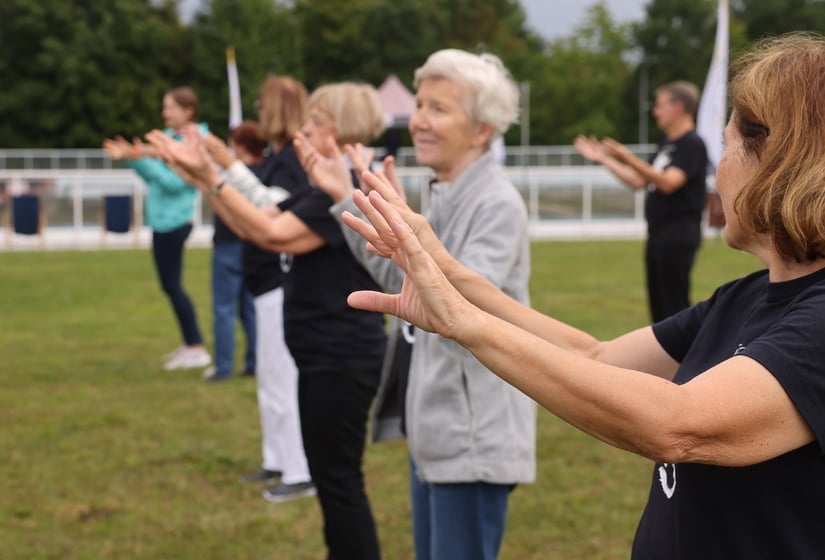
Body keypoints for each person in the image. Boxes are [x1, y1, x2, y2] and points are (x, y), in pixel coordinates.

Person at [339, 33, 825, 558]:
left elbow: (680, 424)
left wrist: (466, 322)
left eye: (729, 145)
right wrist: (445, 270)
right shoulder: (743, 298)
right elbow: (593, 356)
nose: (718, 169)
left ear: (784, 162)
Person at [297, 49, 536, 560]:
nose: (418, 121)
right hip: (436, 429)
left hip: (471, 440)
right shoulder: (446, 193)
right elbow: (408, 291)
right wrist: (347, 197)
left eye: (438, 109)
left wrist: (405, 228)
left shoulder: (494, 203)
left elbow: (461, 308)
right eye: (420, 104)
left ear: (482, 130)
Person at [146, 80, 388, 560]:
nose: (305, 132)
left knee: (339, 485)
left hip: (341, 355)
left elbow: (273, 234)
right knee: (333, 481)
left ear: (341, 132)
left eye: (316, 124)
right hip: (324, 353)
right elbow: (253, 220)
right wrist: (203, 178)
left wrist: (211, 175)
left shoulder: (344, 192)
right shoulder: (324, 188)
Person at [201, 78, 313, 494]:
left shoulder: (294, 159)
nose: (257, 108)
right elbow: (246, 214)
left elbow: (272, 208)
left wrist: (224, 168)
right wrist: (206, 177)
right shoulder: (278, 157)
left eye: (263, 103)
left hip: (282, 281)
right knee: (270, 380)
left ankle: (300, 471)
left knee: (285, 380)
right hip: (264, 281)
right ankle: (277, 459)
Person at [574, 81, 708, 322]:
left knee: (674, 307)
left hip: (677, 237)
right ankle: (662, 358)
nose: (655, 112)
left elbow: (667, 183)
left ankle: (685, 359)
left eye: (659, 105)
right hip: (658, 236)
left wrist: (626, 156)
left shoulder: (692, 144)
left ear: (677, 107)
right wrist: (604, 159)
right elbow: (638, 180)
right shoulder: (667, 144)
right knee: (659, 310)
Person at [102, 86, 211, 371]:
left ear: (188, 110)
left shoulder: (194, 140)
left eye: (170, 107)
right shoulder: (171, 140)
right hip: (163, 221)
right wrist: (132, 157)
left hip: (175, 222)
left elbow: (175, 182)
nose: (165, 113)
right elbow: (157, 176)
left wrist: (139, 158)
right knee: (170, 286)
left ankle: (196, 347)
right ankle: (191, 344)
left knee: (173, 286)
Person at [201, 121, 260, 382]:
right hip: (255, 246)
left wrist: (206, 186)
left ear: (240, 146)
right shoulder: (264, 173)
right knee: (250, 307)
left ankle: (223, 367)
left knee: (224, 307)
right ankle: (254, 363)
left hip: (228, 245)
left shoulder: (234, 177)